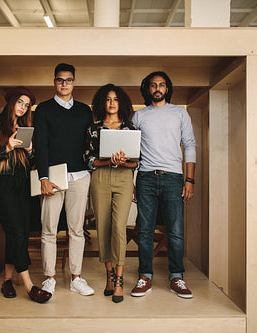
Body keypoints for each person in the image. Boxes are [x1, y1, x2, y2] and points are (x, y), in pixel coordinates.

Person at [0, 86, 51, 304]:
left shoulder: (24, 127)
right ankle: (29, 285)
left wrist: (30, 152)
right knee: (15, 232)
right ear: (11, 102)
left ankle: (7, 280)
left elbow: (28, 163)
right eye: (20, 102)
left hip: (22, 184)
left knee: (19, 231)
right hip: (1, 183)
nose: (23, 107)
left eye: (27, 105)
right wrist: (7, 148)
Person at [130, 71, 196, 299]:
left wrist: (189, 180)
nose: (157, 88)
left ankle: (176, 276)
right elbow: (133, 152)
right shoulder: (138, 117)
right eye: (153, 85)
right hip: (146, 177)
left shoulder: (180, 113)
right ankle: (145, 276)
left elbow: (189, 145)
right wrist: (132, 181)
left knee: (175, 232)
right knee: (145, 231)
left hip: (173, 178)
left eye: (161, 85)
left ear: (167, 88)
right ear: (147, 89)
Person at [34, 63, 94, 296]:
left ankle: (76, 278)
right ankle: (49, 278)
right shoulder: (43, 109)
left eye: (69, 80)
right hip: (53, 177)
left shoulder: (84, 110)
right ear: (54, 82)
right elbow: (41, 146)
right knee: (49, 229)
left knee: (76, 230)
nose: (65, 84)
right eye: (60, 80)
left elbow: (90, 143)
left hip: (80, 176)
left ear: (74, 82)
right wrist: (43, 177)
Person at [84, 84, 138, 303]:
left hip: (124, 179)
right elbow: (87, 159)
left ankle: (119, 279)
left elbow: (136, 162)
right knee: (103, 226)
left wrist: (124, 162)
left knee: (118, 227)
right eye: (108, 99)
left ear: (121, 103)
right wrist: (107, 160)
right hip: (101, 178)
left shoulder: (131, 128)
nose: (112, 103)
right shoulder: (93, 129)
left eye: (115, 99)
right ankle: (109, 276)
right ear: (102, 103)